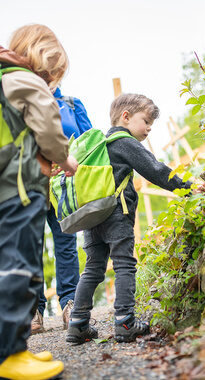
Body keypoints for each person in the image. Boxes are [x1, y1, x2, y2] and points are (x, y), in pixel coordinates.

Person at [66, 93, 205, 344]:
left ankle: (77, 325)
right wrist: (187, 187)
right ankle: (125, 322)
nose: (149, 128)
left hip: (92, 215)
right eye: (146, 121)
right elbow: (155, 170)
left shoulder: (99, 144)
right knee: (124, 264)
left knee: (92, 269)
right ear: (126, 117)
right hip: (116, 216)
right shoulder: (124, 141)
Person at [0, 24, 78, 379]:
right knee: (21, 265)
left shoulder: (4, 80)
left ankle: (13, 348)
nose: (51, 84)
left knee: (11, 262)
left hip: (6, 187)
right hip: (21, 191)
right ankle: (11, 356)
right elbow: (49, 127)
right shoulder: (27, 81)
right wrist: (65, 159)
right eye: (52, 76)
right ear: (43, 64)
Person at [31, 87, 93, 334]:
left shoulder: (72, 103)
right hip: (30, 186)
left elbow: (90, 142)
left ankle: (70, 304)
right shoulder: (25, 98)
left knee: (66, 246)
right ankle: (34, 310)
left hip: (64, 187)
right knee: (31, 248)